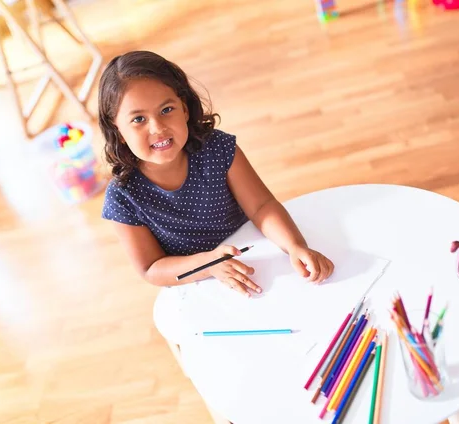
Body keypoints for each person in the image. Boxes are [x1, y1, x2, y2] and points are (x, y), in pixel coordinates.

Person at [98, 49, 334, 424]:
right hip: (198, 286)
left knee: (303, 345)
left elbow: (262, 206)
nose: (157, 128)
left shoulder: (218, 148)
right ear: (117, 129)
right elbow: (150, 268)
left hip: (257, 267)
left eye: (166, 110)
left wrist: (294, 246)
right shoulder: (123, 196)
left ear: (185, 107)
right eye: (138, 119)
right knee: (240, 382)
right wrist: (209, 264)